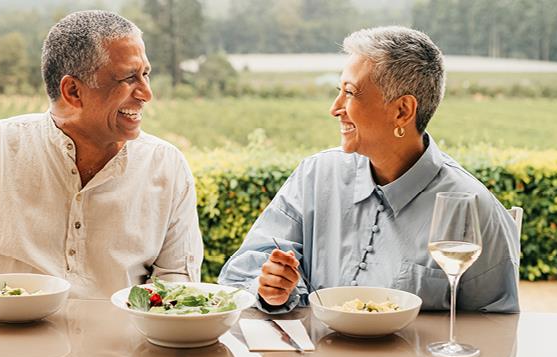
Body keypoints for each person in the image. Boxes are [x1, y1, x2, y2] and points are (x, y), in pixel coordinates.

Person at [0, 10, 203, 310]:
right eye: (129, 78)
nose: (146, 93)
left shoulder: (167, 166)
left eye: (146, 74)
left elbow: (176, 287)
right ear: (72, 92)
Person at [218, 26, 520, 314]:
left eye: (350, 92)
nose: (335, 108)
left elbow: (497, 321)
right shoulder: (315, 176)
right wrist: (271, 288)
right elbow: (245, 267)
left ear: (402, 111)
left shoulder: (473, 207)